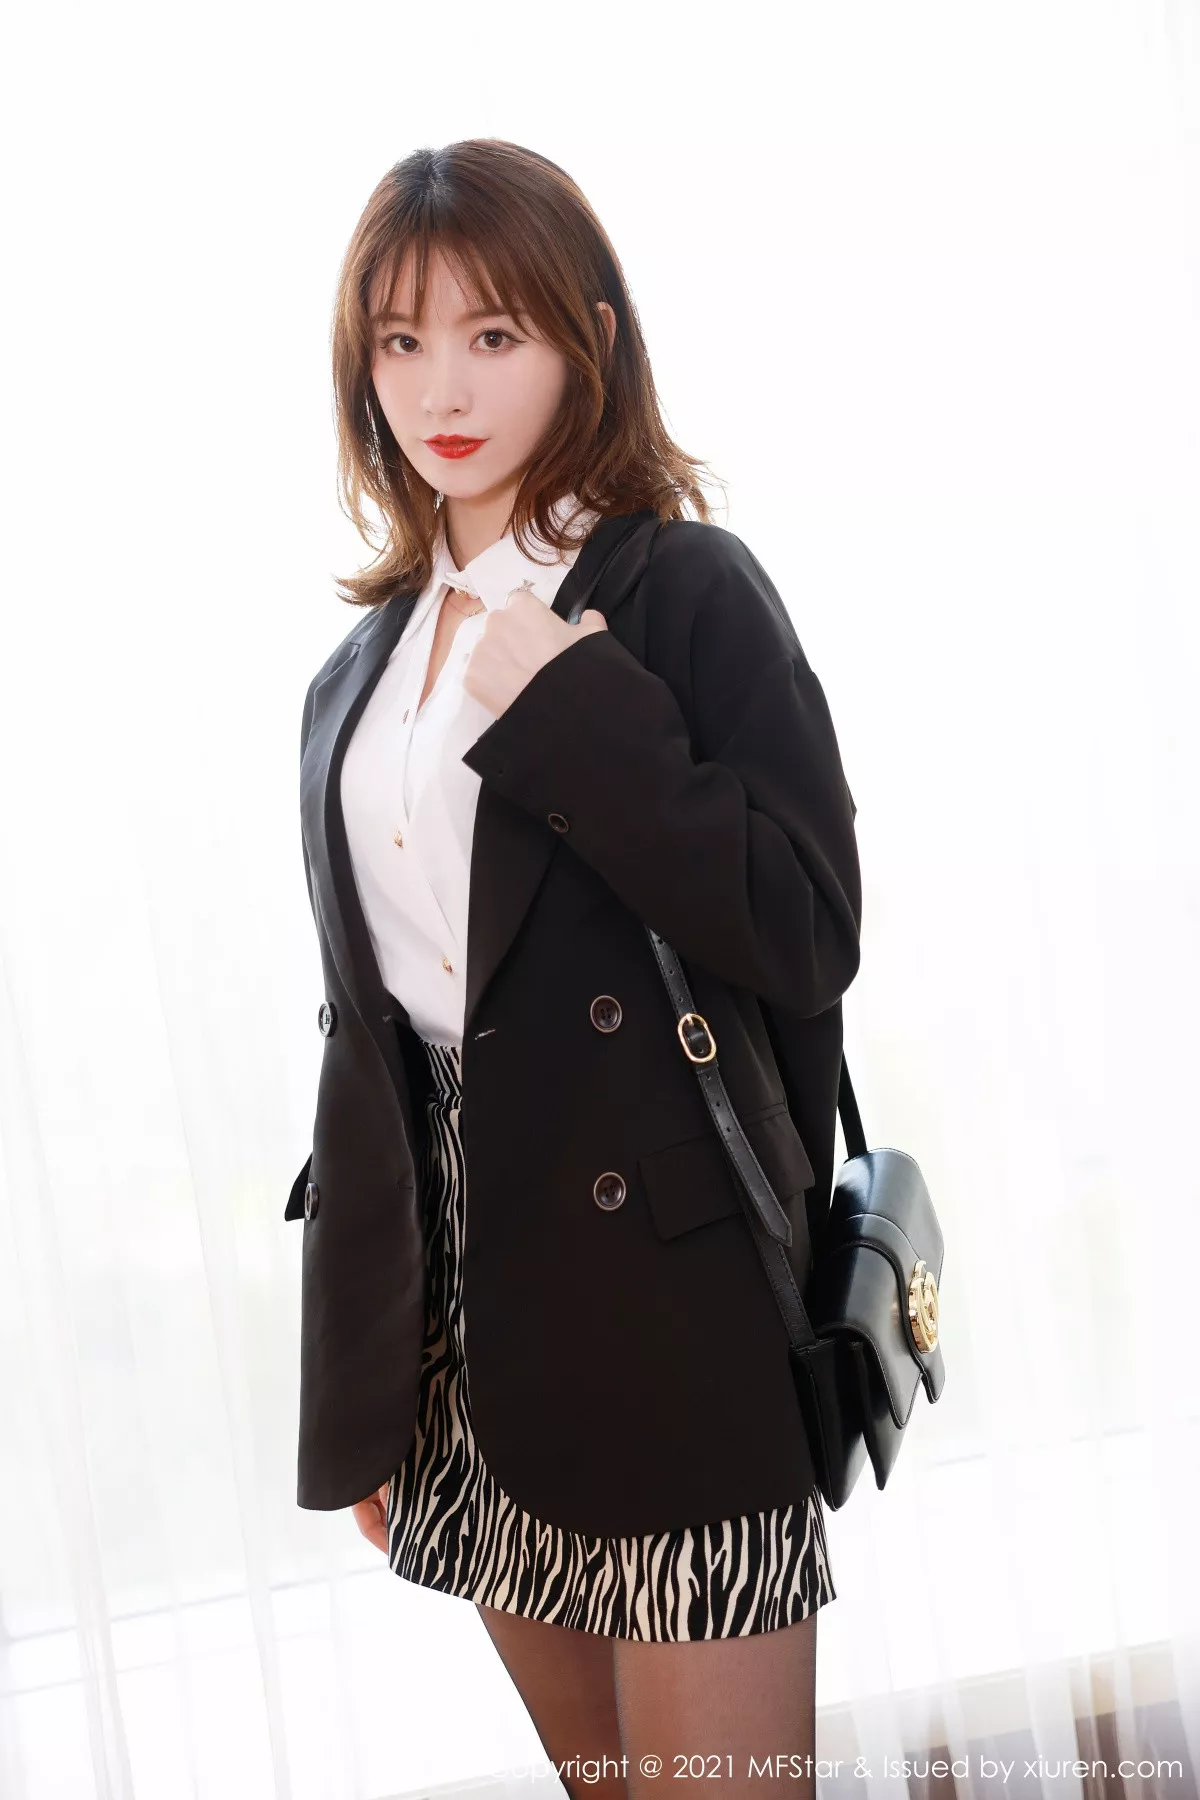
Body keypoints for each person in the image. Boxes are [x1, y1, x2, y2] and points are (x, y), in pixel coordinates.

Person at [291, 137, 862, 1798]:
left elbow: (805, 928)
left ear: (588, 340)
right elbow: (372, 1037)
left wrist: (574, 714)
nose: (443, 388)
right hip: (462, 1308)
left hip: (670, 1302)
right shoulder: (359, 666)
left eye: (495, 333)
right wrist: (370, 1370)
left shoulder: (681, 589)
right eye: (402, 341)